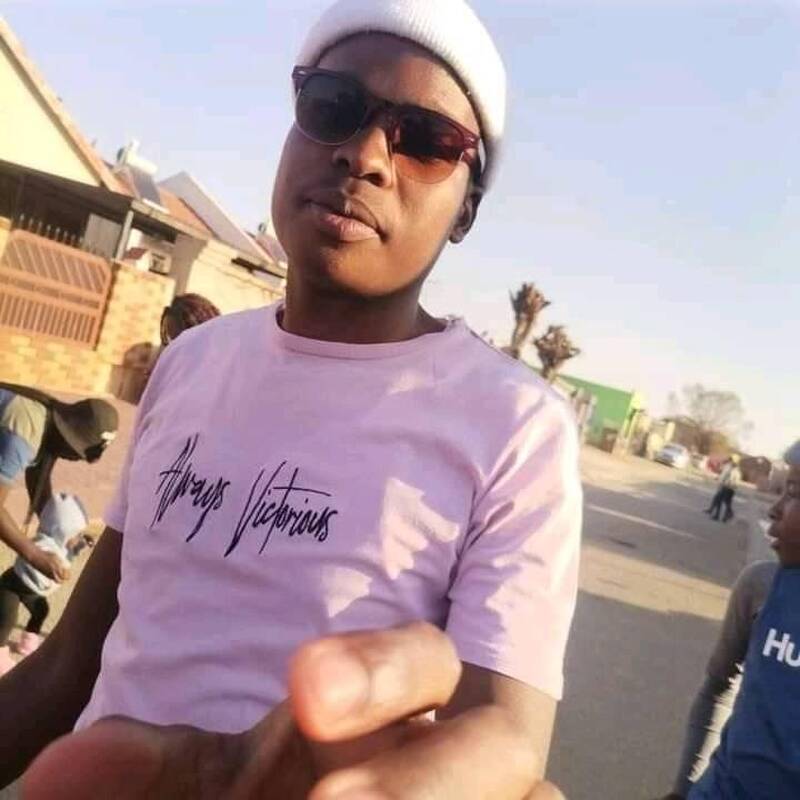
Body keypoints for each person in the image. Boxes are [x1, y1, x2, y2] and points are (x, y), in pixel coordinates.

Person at [2, 2, 582, 798]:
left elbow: (500, 737)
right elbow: (72, 663)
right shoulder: (193, 362)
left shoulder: (516, 429)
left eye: (426, 142)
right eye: (333, 106)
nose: (365, 155)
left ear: (467, 211)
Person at [660, 439, 800, 799]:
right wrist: (683, 791)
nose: (775, 510)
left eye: (793, 493)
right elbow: (717, 688)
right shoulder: (760, 586)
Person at [0, 383, 118, 582]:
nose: (78, 459)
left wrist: (63, 532)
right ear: (68, 436)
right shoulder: (24, 433)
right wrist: (34, 554)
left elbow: (38, 479)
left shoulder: (48, 424)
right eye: (79, 451)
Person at [0, 492, 94, 676]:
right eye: (76, 535)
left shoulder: (61, 545)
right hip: (11, 587)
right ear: (60, 531)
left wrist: (81, 544)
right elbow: (45, 556)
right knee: (6, 620)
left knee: (41, 610)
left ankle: (28, 640)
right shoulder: (43, 544)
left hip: (31, 592)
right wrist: (50, 564)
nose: (77, 538)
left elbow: (69, 554)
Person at [705, 455, 741, 523]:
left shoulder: (736, 470)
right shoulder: (728, 466)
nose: (730, 460)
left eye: (732, 460)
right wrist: (719, 478)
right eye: (730, 459)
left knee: (724, 502)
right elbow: (723, 474)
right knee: (720, 500)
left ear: (735, 461)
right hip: (724, 486)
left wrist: (729, 484)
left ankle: (724, 516)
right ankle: (719, 515)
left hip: (729, 488)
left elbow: (735, 481)